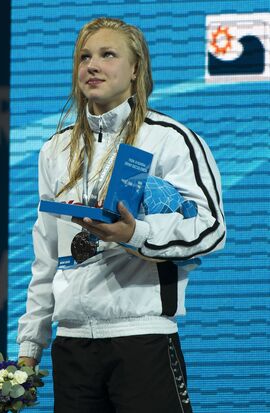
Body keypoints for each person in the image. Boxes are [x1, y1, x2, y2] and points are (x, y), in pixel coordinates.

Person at [16, 17, 226, 413]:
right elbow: (45, 260)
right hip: (73, 345)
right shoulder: (55, 151)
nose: (92, 65)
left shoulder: (168, 139)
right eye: (84, 57)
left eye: (107, 55)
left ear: (135, 69)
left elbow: (210, 229)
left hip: (142, 338)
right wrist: (29, 348)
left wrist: (134, 233)